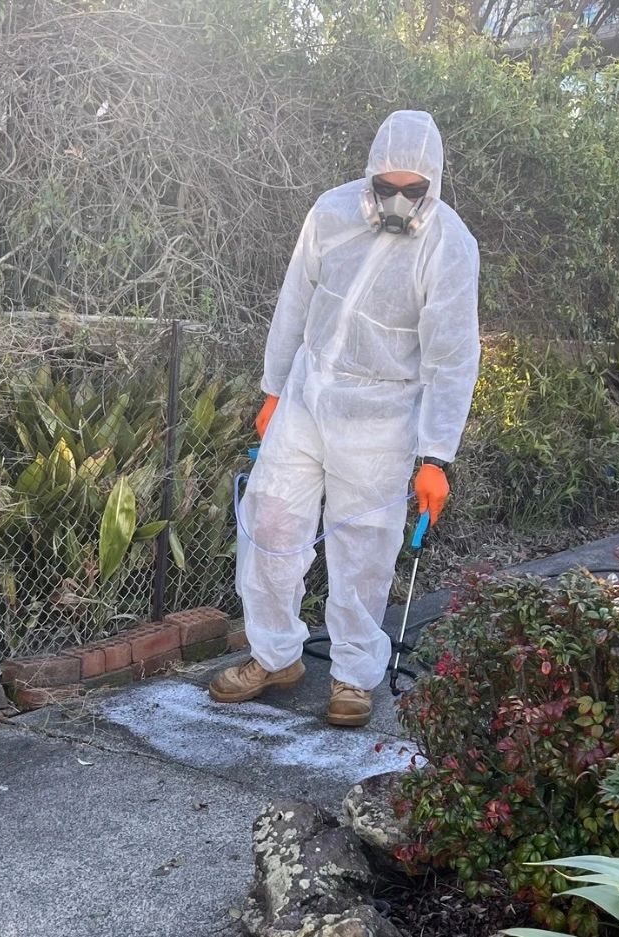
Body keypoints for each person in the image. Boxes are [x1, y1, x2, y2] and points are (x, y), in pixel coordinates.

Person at [210, 109, 480, 727]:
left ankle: (355, 675)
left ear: (432, 186)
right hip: (305, 400)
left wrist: (436, 456)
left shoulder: (450, 245)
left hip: (382, 420)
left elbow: (453, 357)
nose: (397, 200)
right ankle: (274, 653)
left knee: (364, 552)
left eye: (413, 190)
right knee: (272, 525)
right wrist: (274, 390)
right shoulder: (330, 214)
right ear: (368, 179)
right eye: (386, 186)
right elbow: (294, 301)